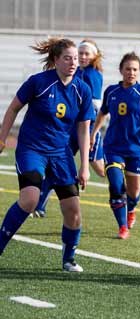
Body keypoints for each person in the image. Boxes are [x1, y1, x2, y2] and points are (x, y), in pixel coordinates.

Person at [0, 37, 94, 272]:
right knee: (30, 199)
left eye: (75, 59)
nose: (73, 63)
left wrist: (84, 166)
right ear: (55, 60)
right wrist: (2, 137)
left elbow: (84, 128)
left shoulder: (82, 89)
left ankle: (69, 259)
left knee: (73, 211)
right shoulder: (39, 82)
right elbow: (13, 108)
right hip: (32, 149)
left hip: (61, 155)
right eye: (67, 58)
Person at [32, 38, 105, 218]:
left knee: (101, 169)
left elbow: (94, 105)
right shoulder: (78, 71)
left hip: (86, 127)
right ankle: (40, 205)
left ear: (95, 56)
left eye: (86, 53)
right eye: (80, 53)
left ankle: (137, 180)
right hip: (73, 129)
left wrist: (93, 131)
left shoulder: (93, 74)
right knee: (59, 166)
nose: (82, 56)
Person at [92, 51, 140, 239]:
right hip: (113, 147)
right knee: (115, 184)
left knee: (134, 192)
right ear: (121, 70)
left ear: (139, 71)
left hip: (136, 150)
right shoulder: (111, 91)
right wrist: (93, 134)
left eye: (135, 69)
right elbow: (103, 113)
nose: (131, 72)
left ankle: (131, 210)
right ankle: (122, 227)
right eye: (128, 69)